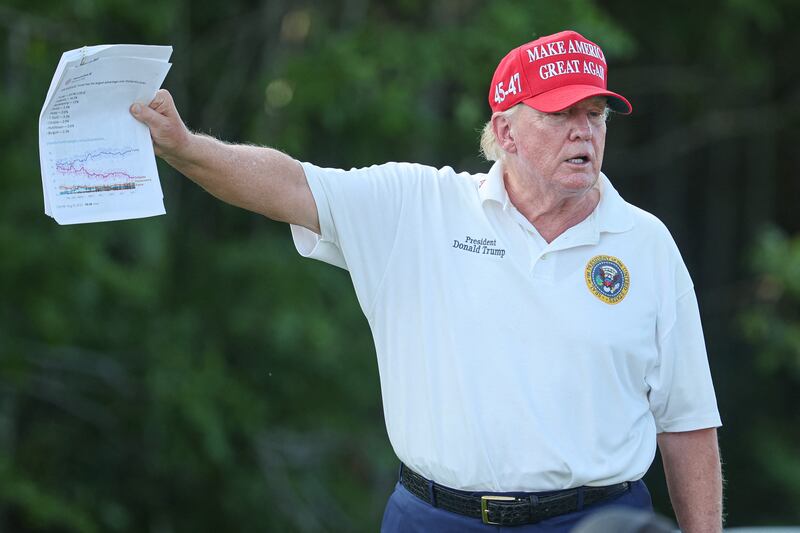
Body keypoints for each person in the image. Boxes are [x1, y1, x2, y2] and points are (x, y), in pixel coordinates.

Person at [130, 29, 723, 532]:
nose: (584, 132)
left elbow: (687, 422)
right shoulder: (419, 206)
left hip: (598, 520)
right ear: (506, 132)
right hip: (436, 518)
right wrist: (185, 148)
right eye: (561, 114)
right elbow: (290, 184)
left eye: (594, 115)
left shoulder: (646, 243)